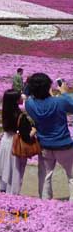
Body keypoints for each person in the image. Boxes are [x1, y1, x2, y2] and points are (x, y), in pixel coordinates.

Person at [25, 72, 73, 201]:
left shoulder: (29, 104)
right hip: (64, 145)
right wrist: (64, 93)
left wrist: (33, 87)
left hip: (44, 145)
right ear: (48, 87)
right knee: (71, 176)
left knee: (45, 176)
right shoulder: (60, 101)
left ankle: (45, 202)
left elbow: (29, 94)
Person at [0, 89, 34, 194]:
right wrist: (35, 129)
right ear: (15, 100)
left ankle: (3, 189)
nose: (22, 97)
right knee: (14, 170)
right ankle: (12, 194)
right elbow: (26, 136)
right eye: (19, 96)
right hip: (15, 144)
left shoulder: (5, 112)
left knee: (5, 168)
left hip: (5, 141)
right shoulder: (20, 116)